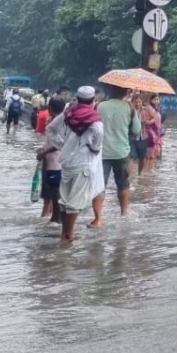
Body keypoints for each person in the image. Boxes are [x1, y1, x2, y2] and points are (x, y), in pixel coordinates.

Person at [48, 86, 105, 243]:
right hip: (83, 164)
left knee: (64, 199)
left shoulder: (67, 114)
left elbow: (50, 129)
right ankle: (69, 234)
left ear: (78, 99)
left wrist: (62, 145)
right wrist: (90, 147)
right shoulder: (96, 123)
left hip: (66, 163)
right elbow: (97, 147)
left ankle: (64, 233)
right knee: (75, 202)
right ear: (93, 101)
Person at [90, 85, 141, 227]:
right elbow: (137, 130)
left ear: (111, 91)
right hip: (122, 152)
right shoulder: (129, 108)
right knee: (123, 184)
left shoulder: (99, 106)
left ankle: (97, 219)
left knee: (99, 185)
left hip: (102, 153)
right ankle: (124, 213)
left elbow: (91, 127)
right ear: (125, 91)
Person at [36, 96, 68, 223]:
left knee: (55, 195)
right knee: (55, 194)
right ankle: (55, 219)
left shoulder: (56, 122)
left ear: (49, 108)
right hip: (58, 162)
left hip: (55, 163)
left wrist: (44, 152)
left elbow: (60, 144)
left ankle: (56, 220)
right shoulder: (64, 121)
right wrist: (44, 149)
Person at [137, 94, 164, 171]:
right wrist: (153, 120)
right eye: (155, 99)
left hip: (156, 134)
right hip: (150, 134)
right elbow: (145, 121)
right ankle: (147, 171)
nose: (156, 101)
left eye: (158, 99)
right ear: (151, 100)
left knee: (153, 154)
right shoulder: (148, 108)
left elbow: (158, 123)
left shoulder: (156, 109)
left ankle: (149, 171)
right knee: (149, 154)